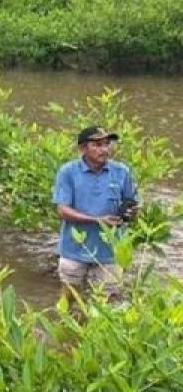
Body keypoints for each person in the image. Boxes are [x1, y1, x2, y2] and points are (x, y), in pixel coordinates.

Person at [52, 126, 138, 296]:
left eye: (107, 144)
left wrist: (131, 213)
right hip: (74, 249)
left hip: (110, 252)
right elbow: (62, 210)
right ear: (83, 148)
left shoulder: (122, 172)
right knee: (68, 298)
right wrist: (98, 220)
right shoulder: (68, 172)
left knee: (107, 303)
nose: (104, 149)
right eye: (97, 145)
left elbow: (133, 204)